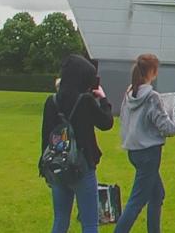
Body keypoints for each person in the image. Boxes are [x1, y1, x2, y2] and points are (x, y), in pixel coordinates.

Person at [114, 54, 175, 233]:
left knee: (157, 194)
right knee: (137, 201)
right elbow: (167, 128)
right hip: (149, 154)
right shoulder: (152, 97)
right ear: (153, 72)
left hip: (134, 151)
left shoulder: (130, 93)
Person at [41, 54, 113, 233]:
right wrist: (103, 99)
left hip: (58, 165)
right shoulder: (85, 101)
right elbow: (106, 123)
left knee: (60, 219)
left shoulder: (51, 101)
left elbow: (46, 137)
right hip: (82, 166)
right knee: (90, 223)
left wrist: (46, 169)